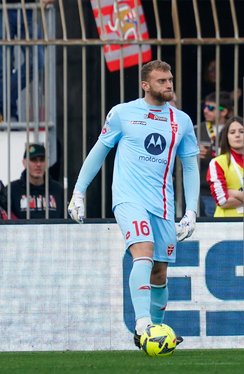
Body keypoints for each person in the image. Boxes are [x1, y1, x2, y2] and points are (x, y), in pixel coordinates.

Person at [67, 60, 199, 349]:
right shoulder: (122, 114)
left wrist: (191, 210)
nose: (169, 85)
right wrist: (79, 192)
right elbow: (98, 152)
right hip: (129, 199)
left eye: (170, 79)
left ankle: (153, 330)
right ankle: (143, 325)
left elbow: (190, 167)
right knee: (144, 253)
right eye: (162, 81)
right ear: (145, 85)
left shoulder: (182, 121)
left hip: (163, 204)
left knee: (160, 272)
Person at [196, 91, 232, 217]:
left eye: (211, 108)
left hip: (230, 191)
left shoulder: (234, 130)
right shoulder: (196, 130)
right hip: (205, 191)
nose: (206, 110)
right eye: (204, 107)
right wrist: (195, 154)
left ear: (224, 112)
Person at [9, 143, 63, 219]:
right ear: (24, 163)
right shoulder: (12, 190)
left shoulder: (57, 189)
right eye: (33, 160)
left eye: (42, 160)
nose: (38, 164)